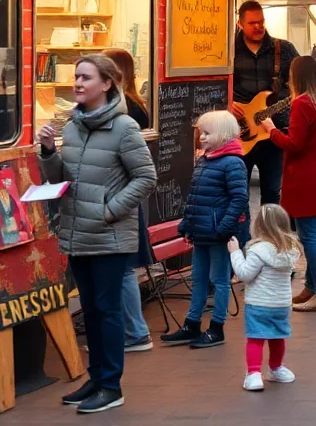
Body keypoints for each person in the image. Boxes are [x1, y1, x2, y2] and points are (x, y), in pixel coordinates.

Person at [38, 53, 156, 414]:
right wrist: (47, 152)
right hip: (76, 232)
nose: (77, 83)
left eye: (85, 78)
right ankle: (97, 377)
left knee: (106, 311)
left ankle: (111, 385)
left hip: (108, 235)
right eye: (76, 76)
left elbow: (146, 178)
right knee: (90, 310)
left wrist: (110, 209)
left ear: (106, 84)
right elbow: (61, 179)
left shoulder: (125, 128)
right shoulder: (71, 127)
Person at [162, 110, 250, 348]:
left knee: (219, 280)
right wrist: (187, 224)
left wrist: (223, 228)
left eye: (207, 133)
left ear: (222, 135)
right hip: (201, 232)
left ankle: (216, 327)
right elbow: (195, 198)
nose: (201, 137)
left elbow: (239, 199)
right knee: (198, 278)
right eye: (201, 133)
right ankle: (192, 324)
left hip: (218, 234)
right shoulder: (205, 160)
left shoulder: (232, 163)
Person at [262, 56, 316, 312]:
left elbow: (294, 144)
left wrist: (271, 130)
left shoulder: (303, 103)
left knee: (311, 236)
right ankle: (312, 286)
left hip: (305, 176)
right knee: (312, 233)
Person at [103, 48, 154, 354]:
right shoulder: (136, 104)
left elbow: (140, 172)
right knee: (121, 270)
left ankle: (135, 332)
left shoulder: (125, 113)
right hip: (122, 200)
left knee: (121, 270)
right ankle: (128, 331)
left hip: (119, 201)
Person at [230, 0, 300, 206]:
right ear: (240, 23)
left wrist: (292, 98)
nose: (259, 27)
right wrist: (226, 102)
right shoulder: (228, 49)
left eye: (261, 22)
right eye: (252, 23)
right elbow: (214, 82)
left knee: (272, 194)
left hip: (274, 133)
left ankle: (269, 235)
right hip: (240, 132)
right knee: (239, 194)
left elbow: (300, 81)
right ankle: (243, 237)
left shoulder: (283, 49)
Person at [228, 204, 301, 392]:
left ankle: (253, 374)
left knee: (256, 338)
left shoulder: (258, 250)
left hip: (259, 303)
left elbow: (245, 274)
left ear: (259, 225)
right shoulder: (291, 248)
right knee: (278, 337)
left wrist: (235, 253)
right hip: (281, 303)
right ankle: (276, 368)